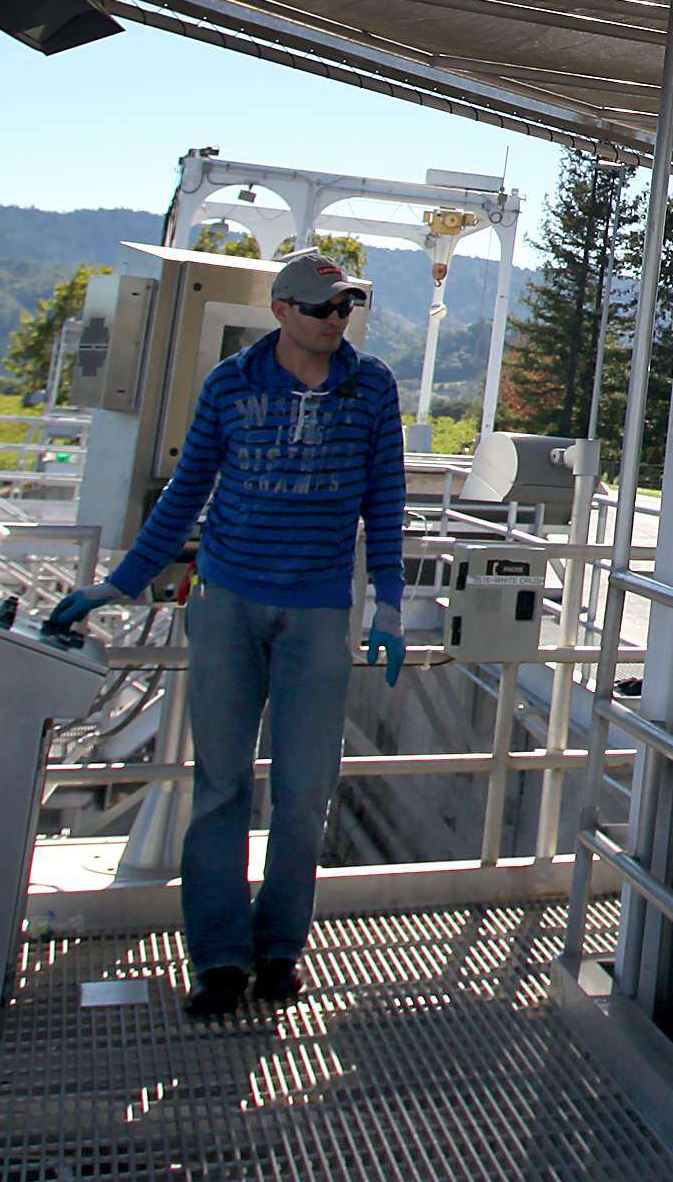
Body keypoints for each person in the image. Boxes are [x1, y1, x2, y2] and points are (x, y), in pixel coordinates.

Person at [47, 249, 408, 1019]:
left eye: (348, 305)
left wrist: (388, 603)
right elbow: (185, 495)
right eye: (323, 307)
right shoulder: (231, 385)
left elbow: (385, 498)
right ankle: (217, 958)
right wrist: (119, 582)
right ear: (281, 310)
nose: (337, 319)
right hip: (228, 602)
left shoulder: (371, 387)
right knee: (219, 786)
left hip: (316, 612)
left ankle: (280, 951)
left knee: (306, 792)